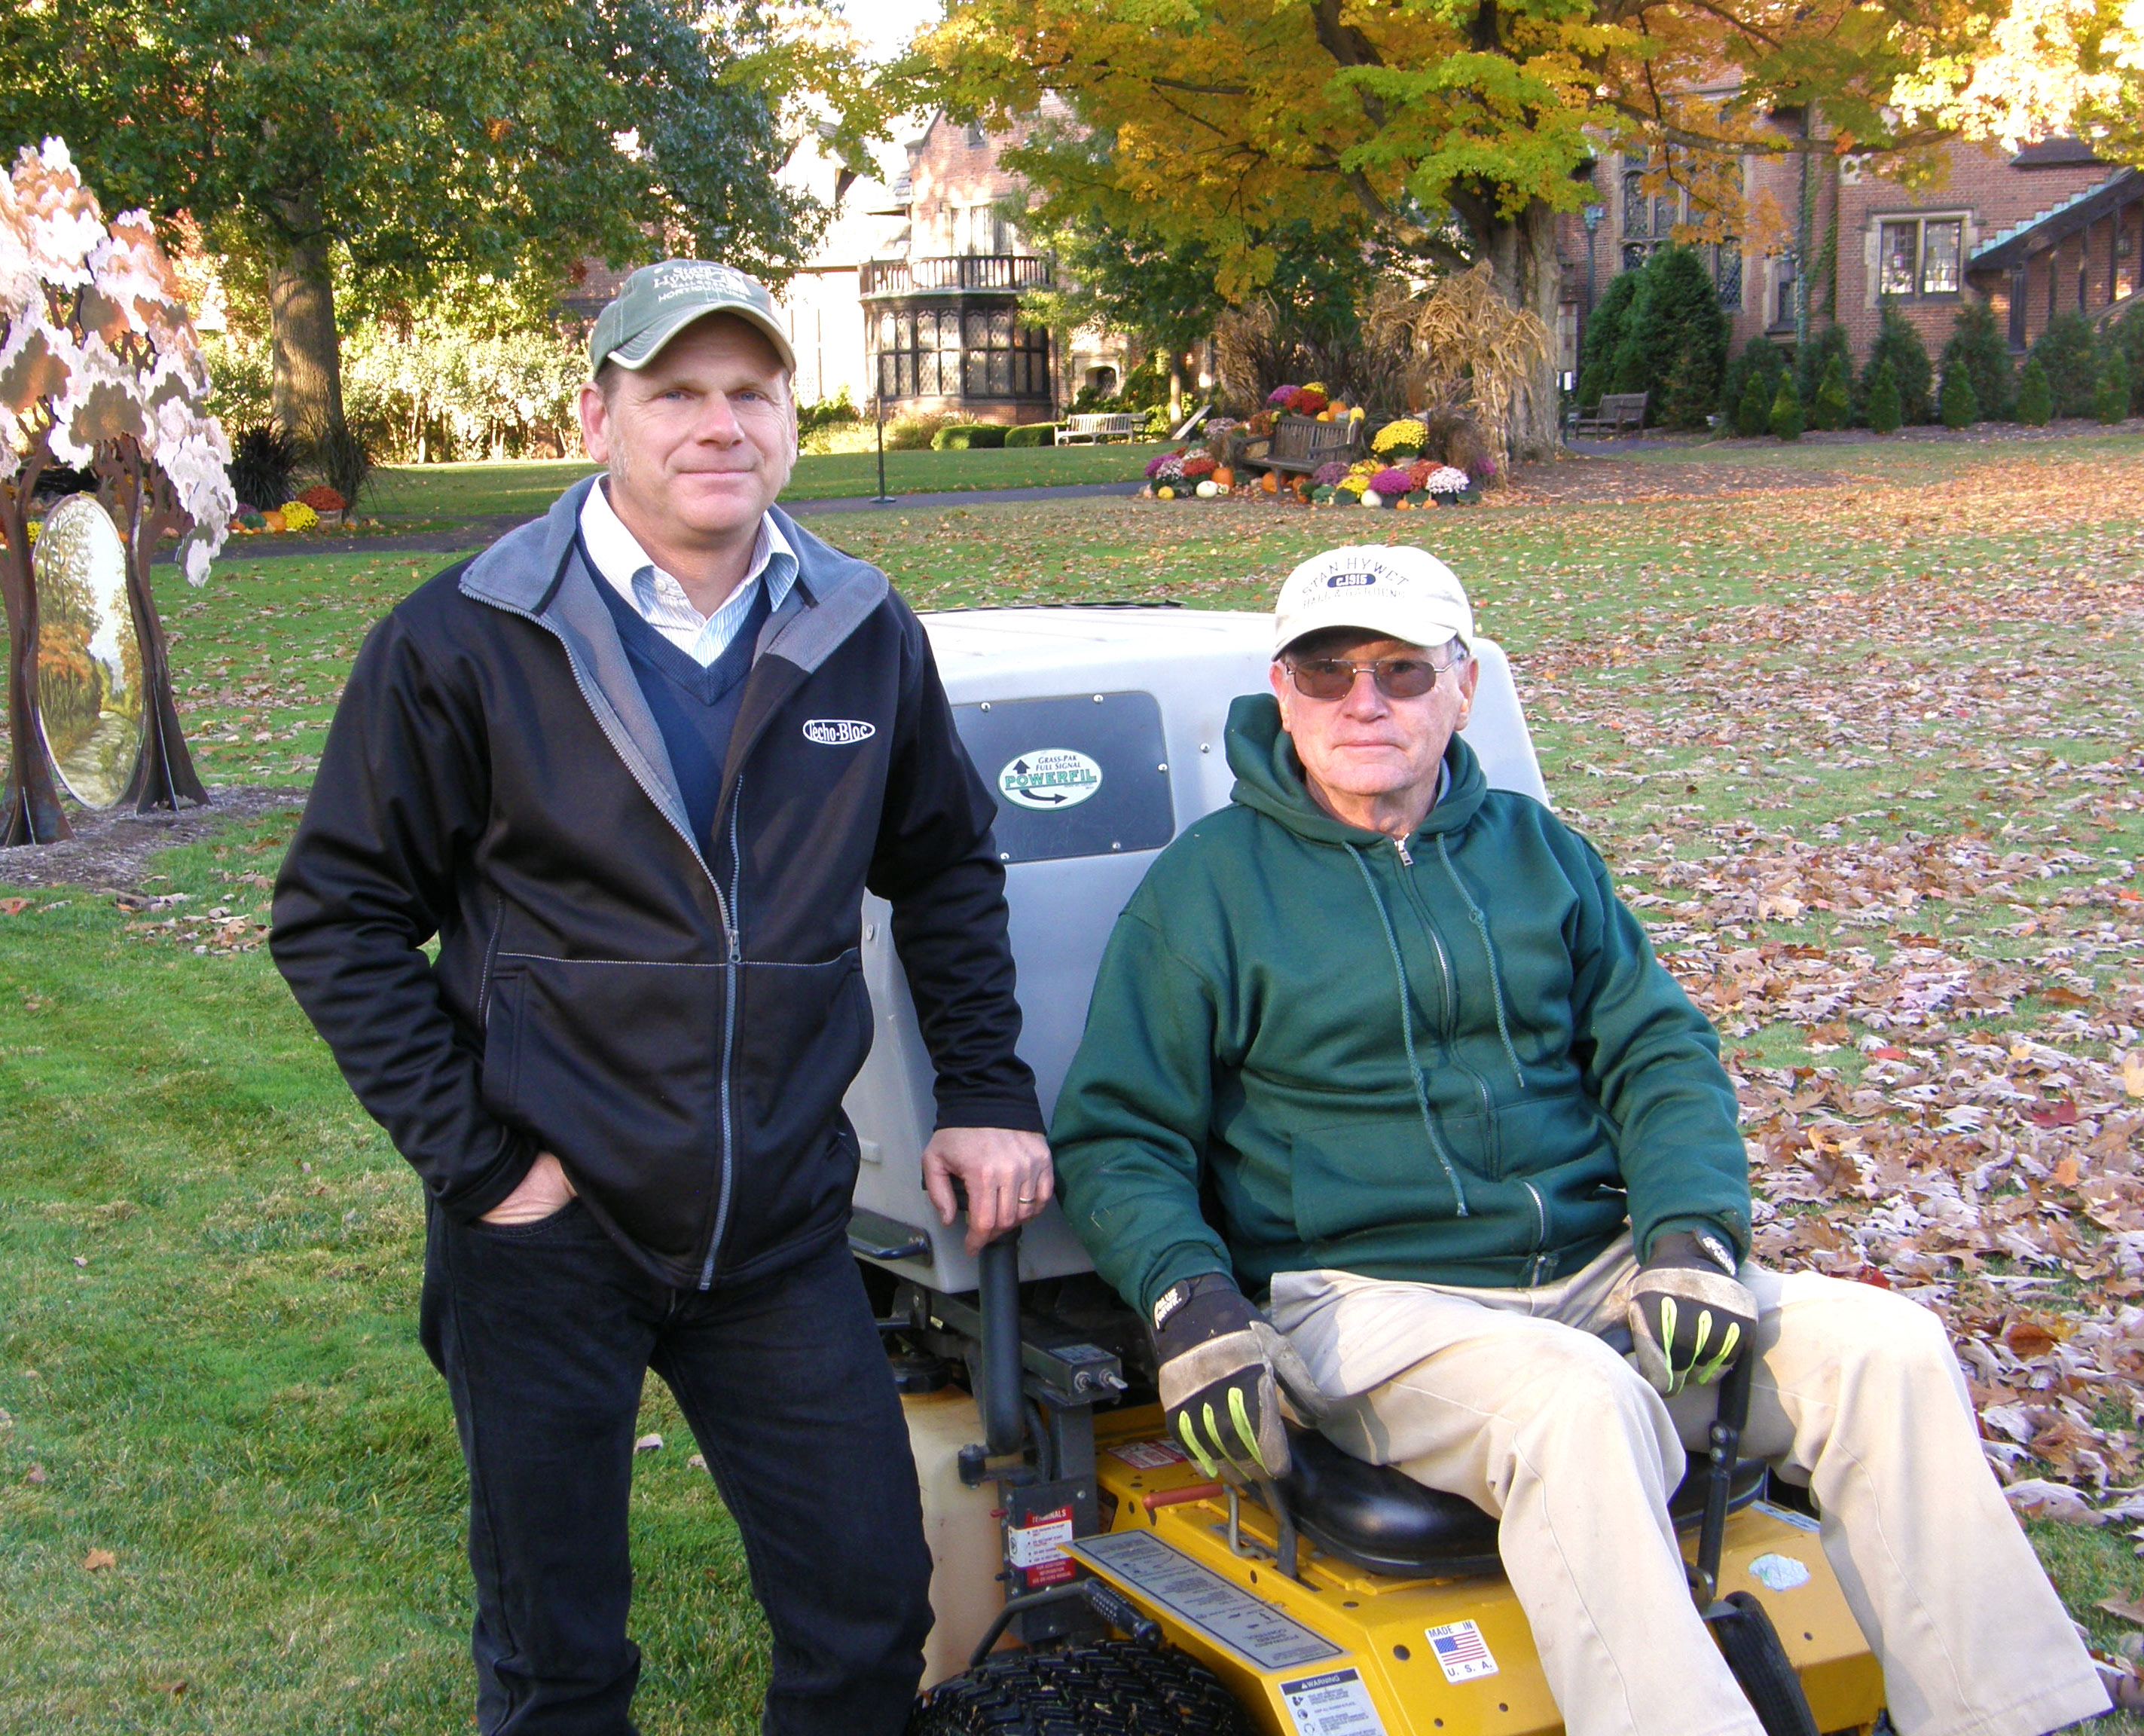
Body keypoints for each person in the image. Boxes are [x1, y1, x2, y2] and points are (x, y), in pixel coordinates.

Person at [1049, 545, 2108, 1736]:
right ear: (1280, 691)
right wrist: (1188, 1305)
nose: (1364, 702)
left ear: (1461, 687)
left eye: (1401, 672)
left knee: (1884, 1347)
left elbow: (1658, 1054)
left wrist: (1693, 1236)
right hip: (1368, 1301)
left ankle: (2007, 1715)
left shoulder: (1537, 852)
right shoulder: (1210, 889)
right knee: (1577, 1403)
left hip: (1600, 1270)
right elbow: (1118, 1133)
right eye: (1327, 671)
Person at [271, 259, 1052, 1736]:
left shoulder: (860, 629)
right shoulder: (465, 638)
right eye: (675, 392)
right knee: (557, 1658)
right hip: (548, 1230)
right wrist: (490, 1170)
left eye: (749, 392)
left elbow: (947, 866)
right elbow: (338, 918)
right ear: (599, 415)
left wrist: (990, 1094)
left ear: (788, 423)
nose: (717, 425)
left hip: (774, 1224)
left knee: (870, 1612)